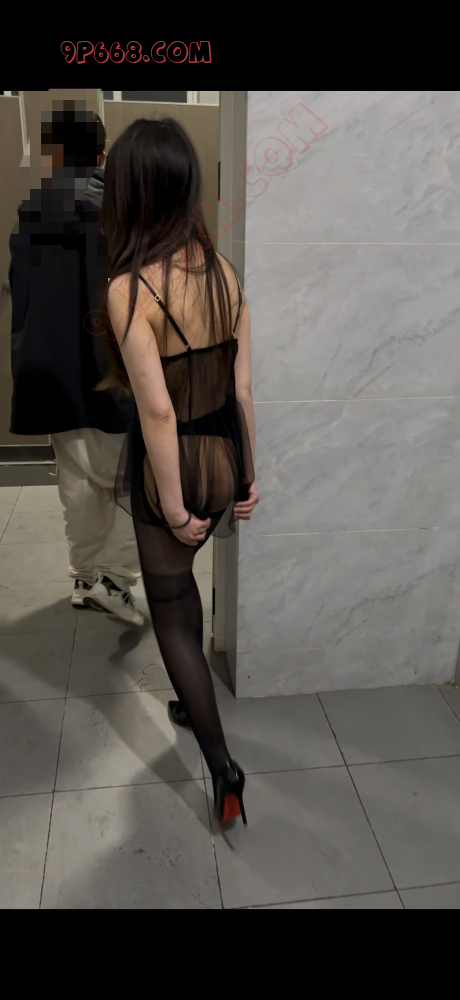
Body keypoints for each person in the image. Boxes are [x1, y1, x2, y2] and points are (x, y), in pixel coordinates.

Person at [101, 117, 259, 825]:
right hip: (224, 457)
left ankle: (223, 767)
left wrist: (170, 505)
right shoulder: (227, 273)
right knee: (186, 584)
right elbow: (242, 391)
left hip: (174, 467)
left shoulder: (130, 289)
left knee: (168, 604)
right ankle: (194, 706)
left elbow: (158, 413)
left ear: (132, 192)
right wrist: (249, 476)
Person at [9, 102, 143, 626]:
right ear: (102, 155)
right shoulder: (122, 214)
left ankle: (85, 577)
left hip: (51, 371)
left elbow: (24, 297)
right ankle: (115, 580)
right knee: (132, 479)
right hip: (111, 368)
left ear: (52, 155)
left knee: (77, 478)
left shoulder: (30, 214)